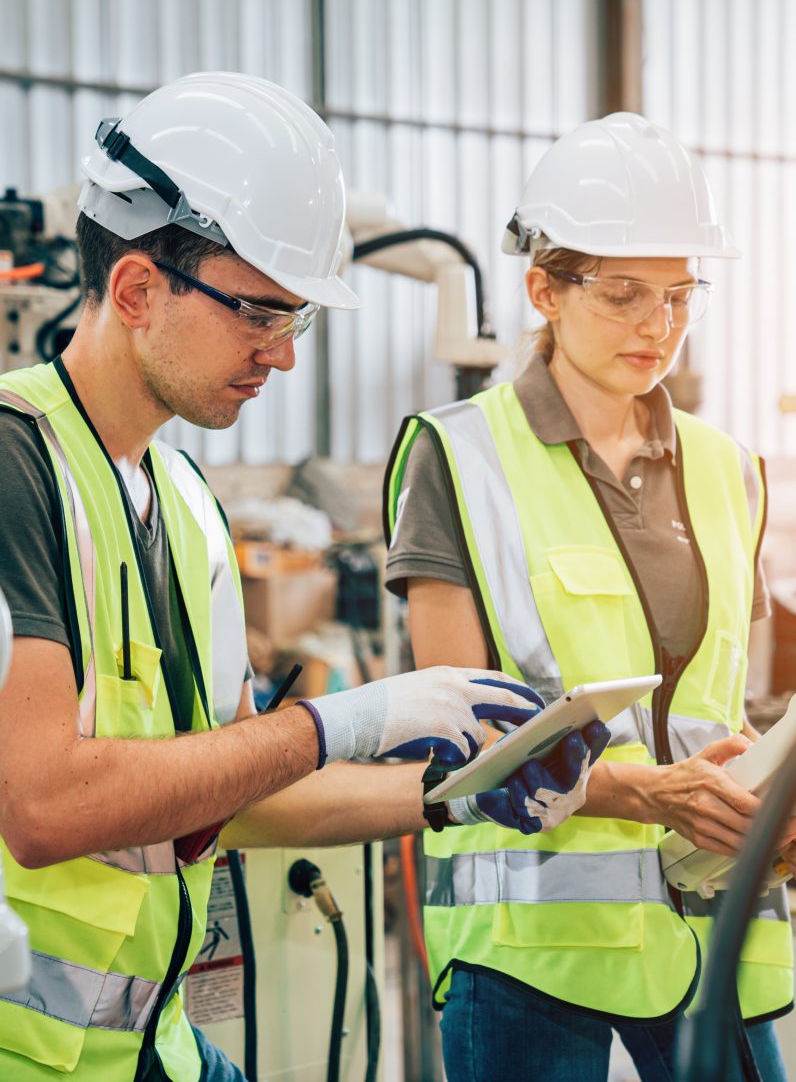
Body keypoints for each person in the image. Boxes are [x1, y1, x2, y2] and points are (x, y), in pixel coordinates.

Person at [0, 73, 609, 1082]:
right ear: (137, 290)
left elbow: (235, 798)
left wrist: (450, 797)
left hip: (154, 1048)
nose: (280, 356)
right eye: (259, 315)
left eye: (296, 322)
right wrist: (344, 718)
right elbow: (41, 807)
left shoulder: (187, 502)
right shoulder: (19, 465)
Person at [384, 112, 796, 1082]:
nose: (657, 326)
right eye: (622, 295)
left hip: (710, 923)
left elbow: (728, 710)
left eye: (678, 295)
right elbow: (454, 736)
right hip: (532, 949)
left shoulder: (727, 467)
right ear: (543, 288)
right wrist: (639, 789)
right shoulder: (460, 454)